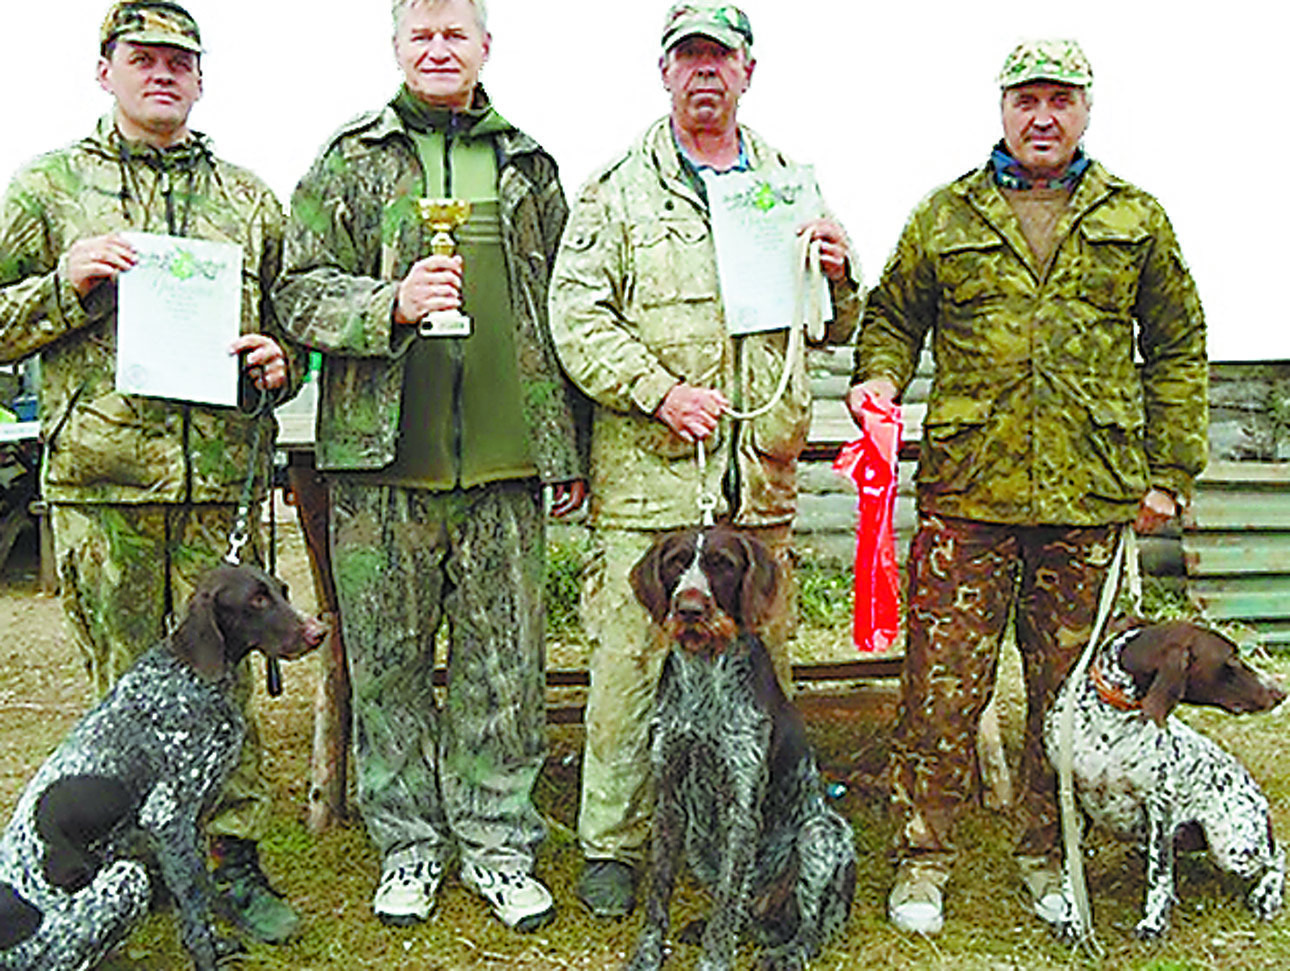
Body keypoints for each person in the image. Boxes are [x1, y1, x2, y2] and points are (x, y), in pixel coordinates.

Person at [848, 39, 1208, 935]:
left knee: (1065, 693)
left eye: (1059, 99)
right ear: (1001, 109)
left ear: (1087, 109)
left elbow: (1178, 344)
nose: (1041, 116)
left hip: (1089, 498)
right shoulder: (946, 215)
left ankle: (1047, 852)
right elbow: (893, 318)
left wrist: (1168, 472)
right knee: (941, 690)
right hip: (969, 498)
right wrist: (880, 380)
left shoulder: (1135, 217)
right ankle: (922, 857)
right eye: (1025, 100)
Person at [274, 0, 586, 933]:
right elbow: (297, 289)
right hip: (378, 469)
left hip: (502, 468)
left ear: (487, 47)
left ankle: (498, 843)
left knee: (505, 668)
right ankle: (407, 845)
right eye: (424, 36)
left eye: (458, 34)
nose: (440, 49)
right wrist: (392, 303)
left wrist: (561, 446)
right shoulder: (347, 160)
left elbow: (563, 304)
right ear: (399, 49)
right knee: (388, 670)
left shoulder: (530, 164)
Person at [549, 1, 862, 918]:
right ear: (664, 72)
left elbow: (833, 323)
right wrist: (657, 389)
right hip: (652, 479)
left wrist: (841, 272)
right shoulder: (615, 191)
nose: (704, 74)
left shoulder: (790, 185)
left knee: (762, 670)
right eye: (687, 57)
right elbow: (575, 318)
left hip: (754, 481)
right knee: (631, 666)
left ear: (748, 71)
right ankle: (615, 842)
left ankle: (758, 837)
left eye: (720, 58)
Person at [0, 0, 303, 945]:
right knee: (126, 699)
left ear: (201, 77)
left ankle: (232, 860)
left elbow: (292, 322)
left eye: (181, 58)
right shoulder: (47, 189)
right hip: (105, 487)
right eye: (143, 56)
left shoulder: (250, 198)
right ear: (106, 70)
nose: (163, 72)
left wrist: (281, 359)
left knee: (228, 692)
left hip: (216, 486)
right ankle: (124, 865)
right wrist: (66, 283)